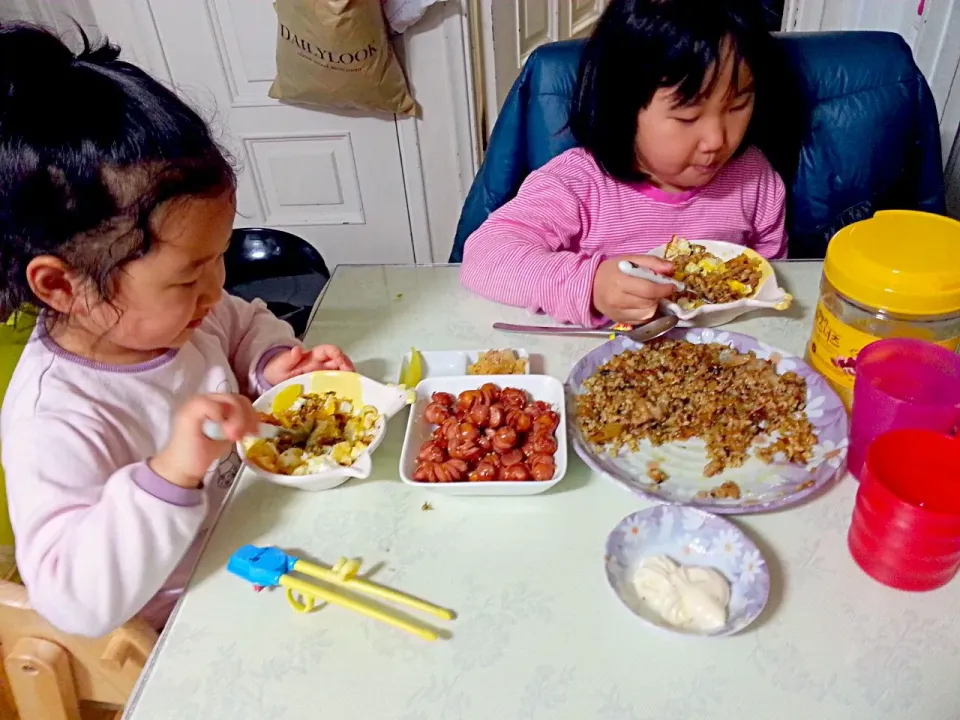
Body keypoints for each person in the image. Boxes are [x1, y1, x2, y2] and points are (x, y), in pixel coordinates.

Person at [0, 25, 354, 637]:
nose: (215, 290)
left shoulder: (179, 314)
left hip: (255, 534)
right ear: (64, 287)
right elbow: (72, 602)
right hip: (187, 613)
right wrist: (171, 472)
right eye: (189, 274)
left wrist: (274, 362)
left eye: (219, 259)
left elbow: (240, 324)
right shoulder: (56, 415)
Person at [461, 0, 788, 327]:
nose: (717, 139)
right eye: (687, 117)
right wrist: (590, 285)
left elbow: (771, 279)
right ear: (621, 109)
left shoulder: (756, 180)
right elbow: (484, 256)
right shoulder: (576, 184)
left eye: (738, 105)